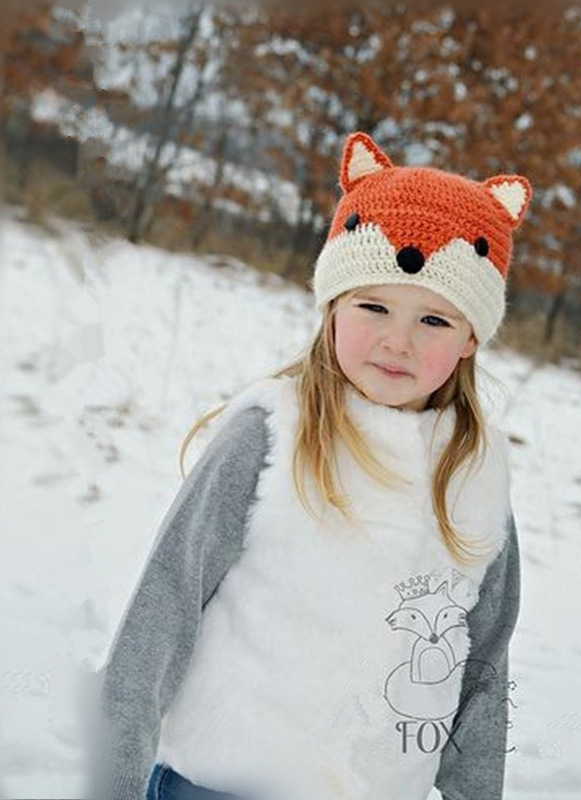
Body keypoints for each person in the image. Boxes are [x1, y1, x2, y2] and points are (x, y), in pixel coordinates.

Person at [87, 131, 531, 800]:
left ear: (471, 336)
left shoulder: (475, 477)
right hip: (220, 784)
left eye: (434, 321)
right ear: (331, 308)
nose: (397, 341)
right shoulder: (269, 435)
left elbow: (482, 670)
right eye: (373, 307)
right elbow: (165, 607)